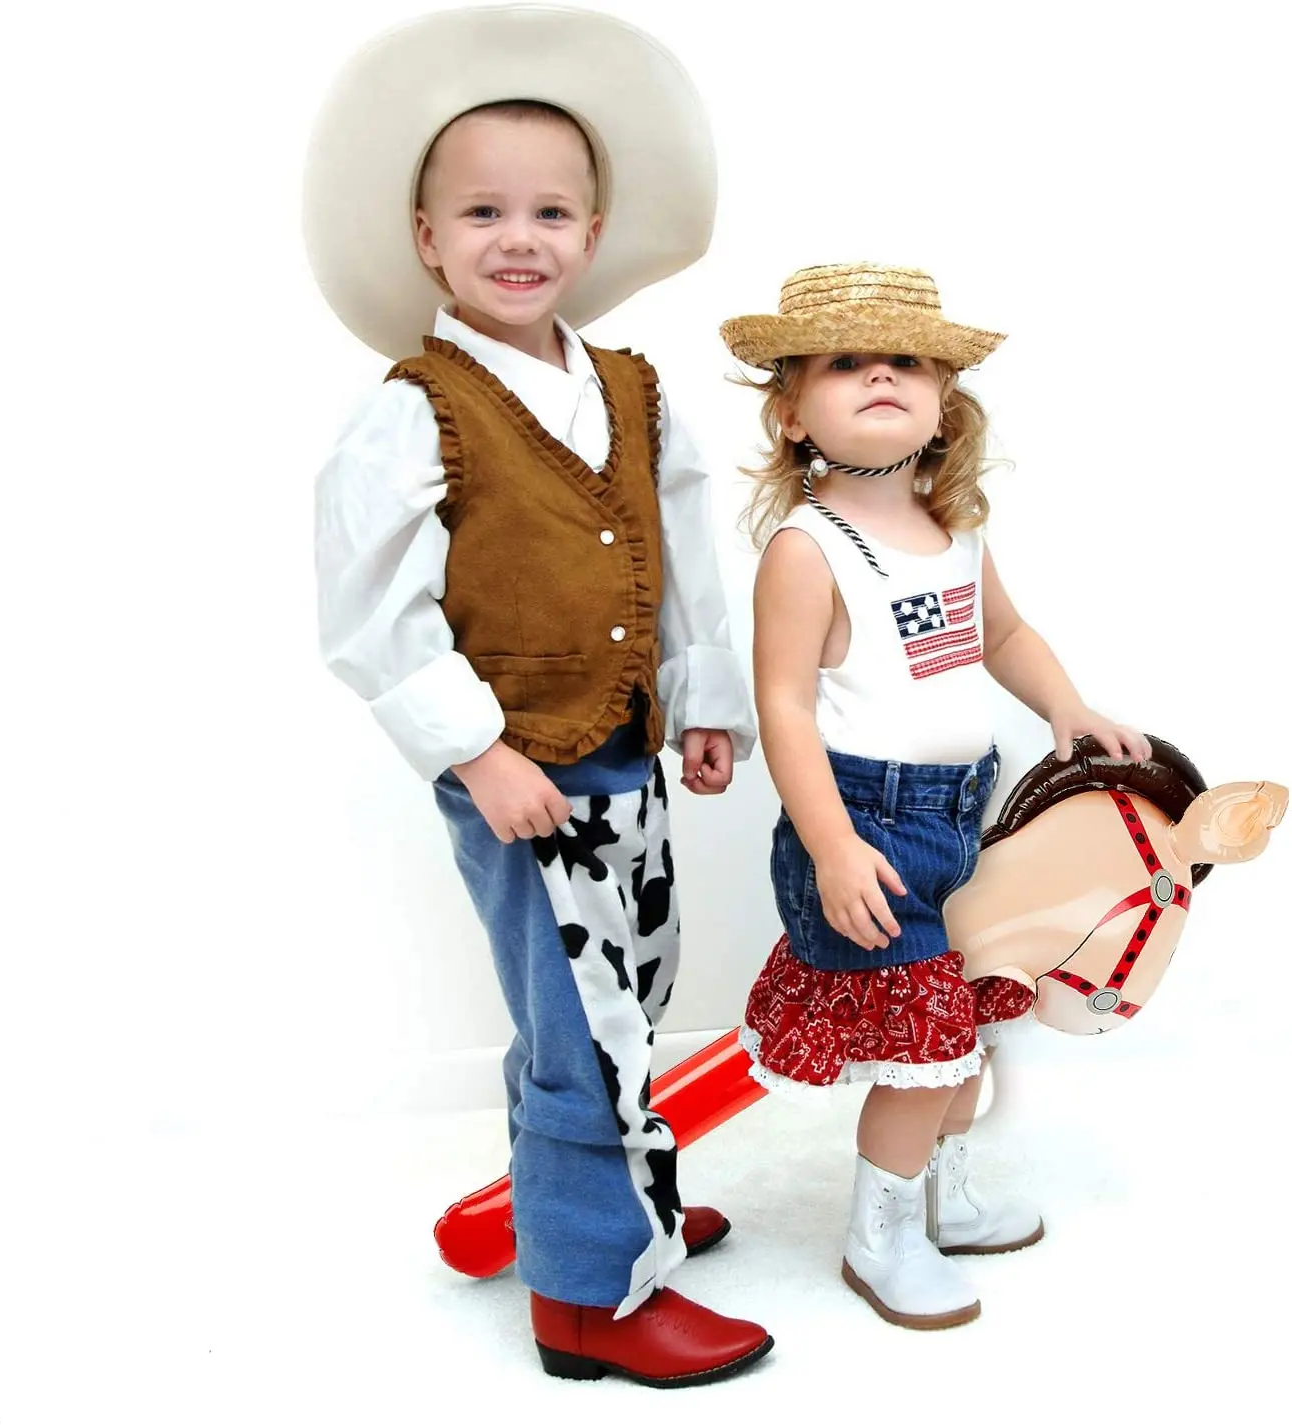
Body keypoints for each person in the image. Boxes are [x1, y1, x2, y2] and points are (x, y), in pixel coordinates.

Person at [303, 5, 771, 1388]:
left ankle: (612, 1205)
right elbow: (373, 614)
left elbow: (682, 558)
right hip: (522, 774)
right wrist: (478, 754)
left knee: (628, 993)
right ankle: (588, 1297)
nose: (520, 239)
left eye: (550, 212)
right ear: (426, 237)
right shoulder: (417, 407)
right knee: (580, 1025)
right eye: (483, 212)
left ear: (592, 229)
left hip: (624, 753)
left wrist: (700, 699)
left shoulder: (631, 392)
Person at [719, 262, 1152, 1330]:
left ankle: (942, 1200)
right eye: (846, 362)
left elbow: (1003, 633)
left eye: (906, 362)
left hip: (965, 815)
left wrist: (1065, 707)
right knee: (919, 1054)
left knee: (967, 1029)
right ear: (791, 414)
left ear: (943, 402)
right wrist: (831, 845)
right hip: (865, 825)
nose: (881, 376)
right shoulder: (807, 549)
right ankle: (880, 1238)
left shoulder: (955, 531)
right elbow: (784, 707)